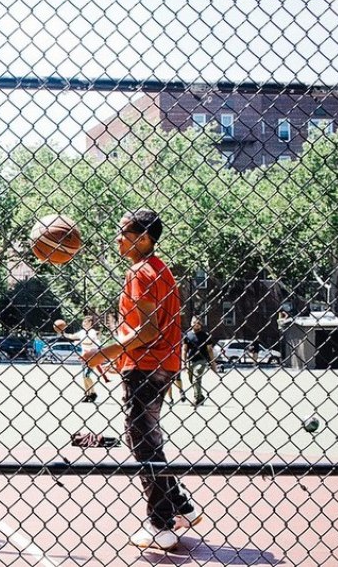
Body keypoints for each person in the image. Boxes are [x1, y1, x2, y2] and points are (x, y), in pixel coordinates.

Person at [82, 209, 201, 551]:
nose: (117, 238)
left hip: (147, 365)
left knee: (143, 442)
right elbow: (150, 327)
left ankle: (161, 524)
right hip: (161, 363)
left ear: (143, 238)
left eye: (123, 232)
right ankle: (181, 507)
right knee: (146, 440)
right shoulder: (161, 270)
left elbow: (147, 329)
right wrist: (118, 355)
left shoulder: (140, 272)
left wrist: (103, 353)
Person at [53, 315, 102, 403]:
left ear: (90, 323)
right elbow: (71, 336)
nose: (84, 323)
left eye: (86, 322)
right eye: (83, 322)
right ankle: (87, 394)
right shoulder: (82, 332)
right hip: (83, 357)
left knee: (86, 375)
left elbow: (90, 340)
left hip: (92, 356)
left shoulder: (92, 332)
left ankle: (93, 393)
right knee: (84, 377)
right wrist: (62, 333)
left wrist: (79, 341)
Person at [182, 316, 217, 406]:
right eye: (194, 322)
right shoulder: (187, 335)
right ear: (191, 323)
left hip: (201, 360)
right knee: (192, 379)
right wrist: (184, 362)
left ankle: (196, 398)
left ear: (201, 324)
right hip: (190, 360)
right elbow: (184, 350)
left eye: (198, 323)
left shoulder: (205, 335)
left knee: (196, 377)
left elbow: (210, 350)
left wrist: (213, 362)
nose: (196, 324)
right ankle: (200, 396)